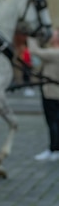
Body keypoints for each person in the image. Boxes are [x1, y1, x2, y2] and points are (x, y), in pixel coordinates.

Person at [28, 29, 59, 161]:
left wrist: (32, 36)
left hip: (52, 92)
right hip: (51, 91)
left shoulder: (55, 53)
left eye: (54, 34)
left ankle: (54, 149)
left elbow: (35, 52)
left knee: (53, 122)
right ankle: (53, 148)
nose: (51, 36)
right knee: (54, 121)